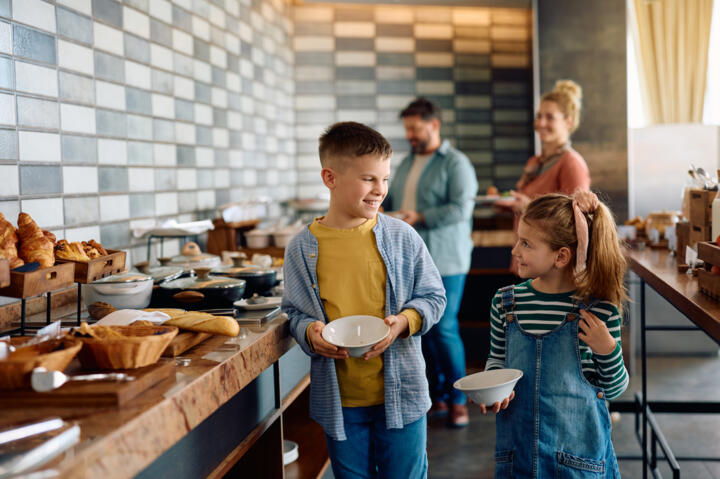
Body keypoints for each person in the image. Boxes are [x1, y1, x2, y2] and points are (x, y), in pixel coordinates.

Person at [282, 122, 446, 479]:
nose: (380, 191)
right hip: (340, 402)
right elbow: (292, 311)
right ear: (330, 177)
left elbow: (433, 297)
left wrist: (403, 322)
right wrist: (310, 332)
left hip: (403, 394)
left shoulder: (403, 237)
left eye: (384, 180)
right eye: (369, 179)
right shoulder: (301, 248)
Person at [480, 191, 629, 478]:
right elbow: (497, 360)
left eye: (526, 243)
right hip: (517, 459)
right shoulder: (505, 302)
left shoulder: (600, 311)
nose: (515, 251)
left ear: (561, 256)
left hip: (579, 466)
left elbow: (613, 390)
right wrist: (494, 388)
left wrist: (607, 349)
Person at [383, 97, 478, 428]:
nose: (409, 134)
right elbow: (391, 201)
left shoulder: (456, 163)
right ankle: (437, 394)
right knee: (423, 328)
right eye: (406, 128)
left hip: (447, 259)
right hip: (410, 262)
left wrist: (419, 216)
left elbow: (461, 210)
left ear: (434, 125)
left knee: (445, 328)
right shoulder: (407, 164)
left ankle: (459, 400)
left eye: (414, 127)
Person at [495, 80, 590, 214]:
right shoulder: (535, 162)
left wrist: (529, 207)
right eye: (539, 116)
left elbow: (578, 217)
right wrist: (507, 203)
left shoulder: (572, 164)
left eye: (550, 117)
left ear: (569, 122)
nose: (541, 123)